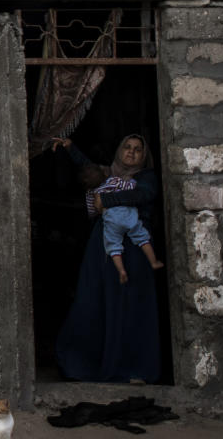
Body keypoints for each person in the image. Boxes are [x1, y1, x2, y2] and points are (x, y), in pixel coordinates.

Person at [52, 134, 161, 383]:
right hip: (102, 248)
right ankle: (87, 364)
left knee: (130, 304)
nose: (131, 153)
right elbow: (88, 168)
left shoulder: (146, 178)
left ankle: (133, 369)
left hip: (133, 250)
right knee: (95, 300)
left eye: (137, 150)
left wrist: (108, 199)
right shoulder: (108, 175)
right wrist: (71, 147)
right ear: (119, 150)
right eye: (127, 147)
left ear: (144, 156)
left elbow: (142, 195)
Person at [78, 163, 164, 284]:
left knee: (113, 247)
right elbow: (132, 186)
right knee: (142, 237)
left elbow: (92, 211)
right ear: (103, 173)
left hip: (110, 220)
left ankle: (121, 271)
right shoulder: (114, 181)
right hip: (127, 215)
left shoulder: (91, 193)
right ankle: (154, 262)